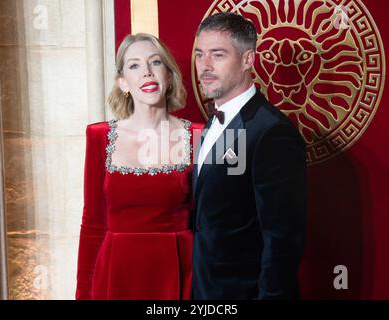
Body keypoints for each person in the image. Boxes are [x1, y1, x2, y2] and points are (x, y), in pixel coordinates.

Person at [76, 33, 202, 300]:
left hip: (180, 273)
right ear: (123, 83)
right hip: (116, 274)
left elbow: (216, 220)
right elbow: (92, 224)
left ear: (168, 76)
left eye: (155, 63)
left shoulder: (201, 136)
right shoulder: (99, 137)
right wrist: (83, 294)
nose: (146, 72)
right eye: (134, 65)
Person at [192, 12, 307, 299]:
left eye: (217, 55)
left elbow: (282, 241)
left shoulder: (271, 133)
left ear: (247, 60)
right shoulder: (218, 121)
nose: (204, 66)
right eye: (199, 55)